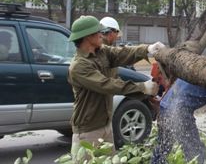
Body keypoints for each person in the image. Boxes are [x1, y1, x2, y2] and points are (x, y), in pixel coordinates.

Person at [67, 15, 165, 156]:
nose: (102, 35)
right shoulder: (79, 66)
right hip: (88, 131)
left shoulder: (101, 51)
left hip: (105, 125)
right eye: (98, 32)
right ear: (87, 37)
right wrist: (142, 87)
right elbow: (107, 84)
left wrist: (148, 49)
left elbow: (122, 52)